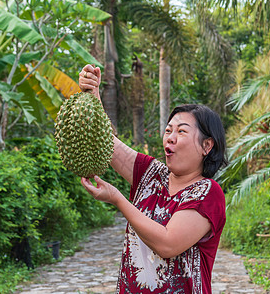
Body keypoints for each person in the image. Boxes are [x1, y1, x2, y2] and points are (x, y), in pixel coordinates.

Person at [78, 64, 227, 294]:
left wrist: (118, 199)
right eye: (168, 130)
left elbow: (167, 244)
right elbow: (106, 141)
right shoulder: (152, 174)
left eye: (182, 131)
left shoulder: (208, 192)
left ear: (207, 146)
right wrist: (93, 94)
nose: (171, 138)